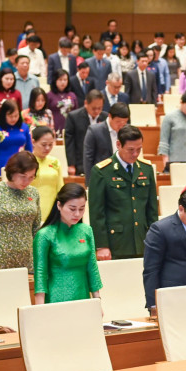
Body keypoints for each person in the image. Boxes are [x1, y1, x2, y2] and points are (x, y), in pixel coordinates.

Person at [88, 125, 158, 260]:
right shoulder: (102, 171)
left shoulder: (146, 169)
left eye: (139, 150)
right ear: (118, 144)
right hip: (116, 242)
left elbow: (152, 209)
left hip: (143, 240)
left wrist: (155, 238)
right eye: (131, 150)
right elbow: (97, 212)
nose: (135, 154)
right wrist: (101, 245)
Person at [32, 184, 102, 304]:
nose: (77, 214)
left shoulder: (86, 230)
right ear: (59, 205)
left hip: (83, 297)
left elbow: (92, 267)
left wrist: (97, 301)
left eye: (82, 209)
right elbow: (40, 274)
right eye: (72, 208)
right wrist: (40, 309)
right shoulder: (45, 235)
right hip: (56, 300)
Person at [0, 151, 41, 270]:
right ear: (12, 172)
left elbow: (36, 228)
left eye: (31, 177)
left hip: (28, 259)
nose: (27, 181)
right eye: (23, 176)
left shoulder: (34, 193)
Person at [83, 102, 130, 185]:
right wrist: (90, 183)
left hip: (122, 178)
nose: (121, 125)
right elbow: (88, 159)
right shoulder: (94, 131)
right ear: (110, 116)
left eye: (124, 122)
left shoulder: (127, 131)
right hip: (101, 178)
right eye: (118, 122)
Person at [64, 90, 107, 176]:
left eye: (100, 108)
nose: (97, 111)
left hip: (102, 163)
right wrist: (71, 164)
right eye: (94, 108)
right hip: (81, 163)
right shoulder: (74, 117)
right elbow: (69, 142)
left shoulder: (106, 117)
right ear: (86, 103)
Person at [0, 100, 33, 179]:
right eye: (10, 116)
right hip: (1, 168)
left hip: (21, 168)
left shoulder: (24, 127)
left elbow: (29, 150)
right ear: (3, 115)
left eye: (16, 116)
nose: (13, 119)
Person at [157, 90, 186, 168]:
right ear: (181, 102)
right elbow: (164, 141)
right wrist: (166, 161)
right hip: (174, 159)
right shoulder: (169, 117)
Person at [30, 126, 64, 219]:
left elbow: (60, 187)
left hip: (52, 207)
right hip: (32, 207)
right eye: (44, 144)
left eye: (51, 144)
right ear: (33, 142)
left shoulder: (55, 162)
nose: (47, 148)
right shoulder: (27, 161)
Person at [46, 69, 78, 134]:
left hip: (69, 126)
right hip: (54, 127)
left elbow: (76, 112)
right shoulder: (49, 95)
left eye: (65, 80)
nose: (63, 82)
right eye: (60, 80)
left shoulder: (72, 95)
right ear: (55, 80)